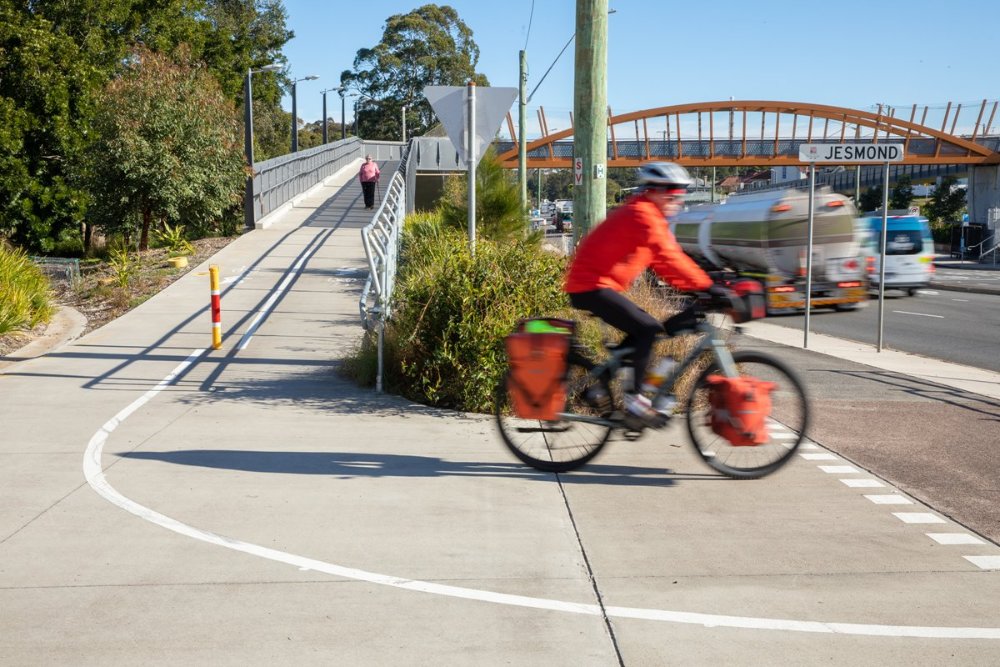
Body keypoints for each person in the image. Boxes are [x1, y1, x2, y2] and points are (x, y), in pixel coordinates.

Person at [564, 161, 728, 425]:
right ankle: (636, 402)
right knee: (648, 329)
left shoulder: (648, 216)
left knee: (645, 332)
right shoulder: (643, 215)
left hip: (598, 285)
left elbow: (665, 264)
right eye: (672, 190)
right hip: (590, 286)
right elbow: (669, 258)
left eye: (682, 191)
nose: (678, 196)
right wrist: (706, 287)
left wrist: (700, 285)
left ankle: (601, 383)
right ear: (653, 190)